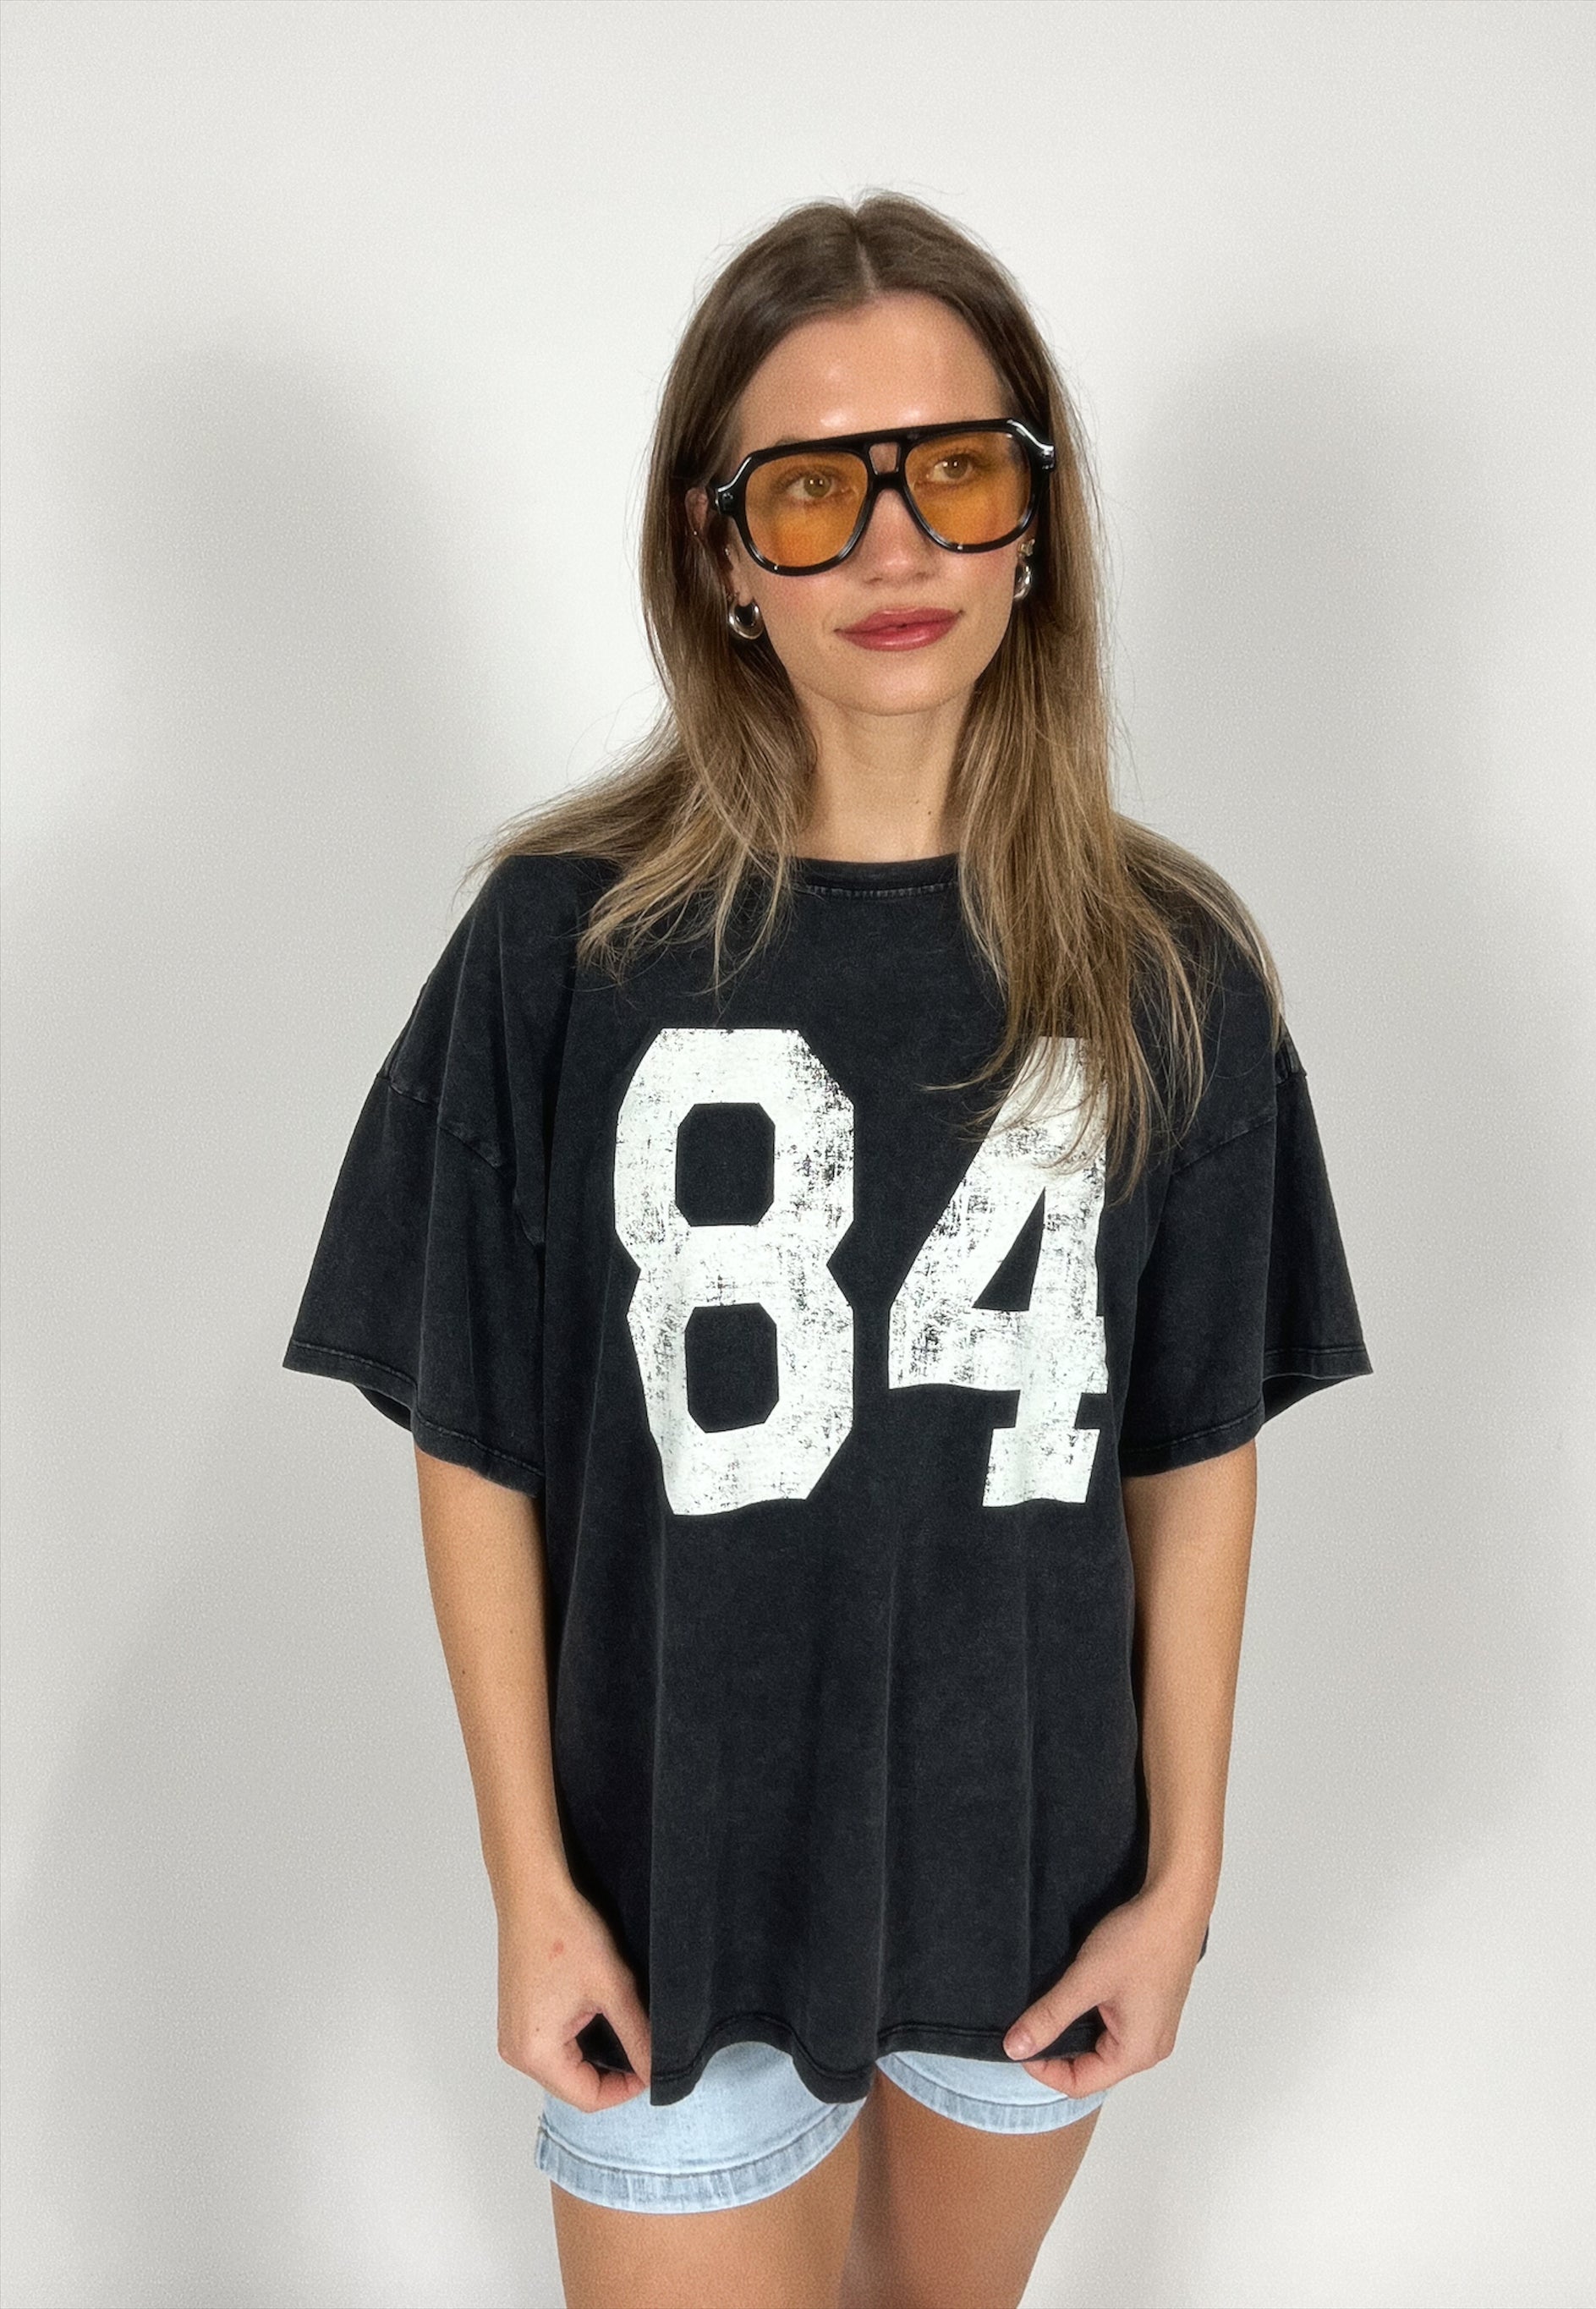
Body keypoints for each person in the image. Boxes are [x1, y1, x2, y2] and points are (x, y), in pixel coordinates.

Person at [282, 191, 1373, 2309]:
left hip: (1034, 1889)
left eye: (951, 471)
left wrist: (1181, 1885)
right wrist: (532, 1890)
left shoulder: (1170, 965)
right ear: (720, 552)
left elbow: (1190, 1458)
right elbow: (476, 1441)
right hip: (667, 1892)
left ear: (1033, 522)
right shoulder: (563, 951)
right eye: (811, 489)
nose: (894, 549)